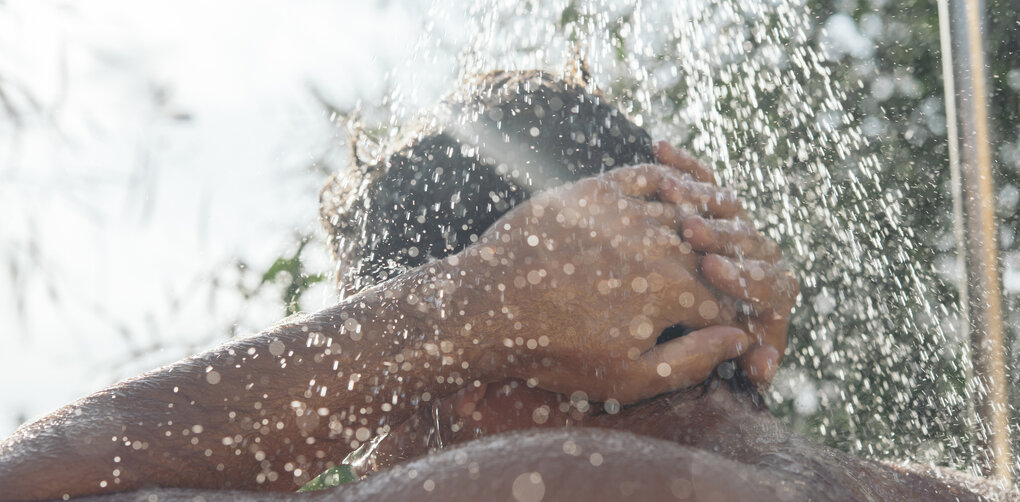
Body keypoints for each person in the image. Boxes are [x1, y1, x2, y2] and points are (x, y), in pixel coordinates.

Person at [0, 71, 1009, 502]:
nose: (367, 440)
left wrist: (443, 317)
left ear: (479, 370)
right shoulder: (932, 488)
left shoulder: (540, 481)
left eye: (384, 406)